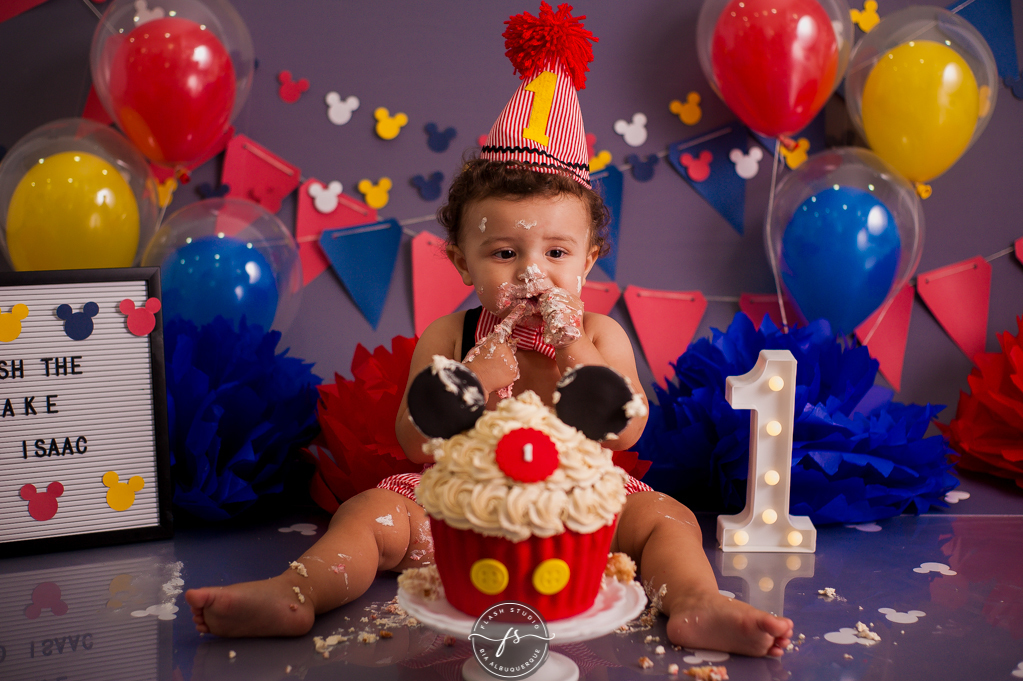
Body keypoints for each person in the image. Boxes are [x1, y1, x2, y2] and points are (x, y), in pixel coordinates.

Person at [185, 3, 794, 657]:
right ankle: (298, 589)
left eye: (556, 253)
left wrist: (573, 355)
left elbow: (625, 429)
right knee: (367, 513)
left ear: (589, 260)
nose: (532, 272)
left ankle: (695, 603)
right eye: (504, 253)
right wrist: (474, 377)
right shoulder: (451, 334)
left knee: (668, 520)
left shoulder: (601, 334)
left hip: (579, 509)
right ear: (461, 261)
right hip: (459, 509)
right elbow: (413, 440)